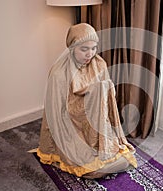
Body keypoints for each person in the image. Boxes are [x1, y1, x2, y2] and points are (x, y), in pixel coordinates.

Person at [36, 23, 137, 179]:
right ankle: (98, 167)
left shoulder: (99, 64)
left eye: (93, 48)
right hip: (71, 128)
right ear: (71, 48)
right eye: (84, 49)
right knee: (92, 168)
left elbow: (106, 102)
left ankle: (105, 163)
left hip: (97, 126)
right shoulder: (58, 73)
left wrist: (99, 93)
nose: (90, 54)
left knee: (125, 158)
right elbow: (55, 115)